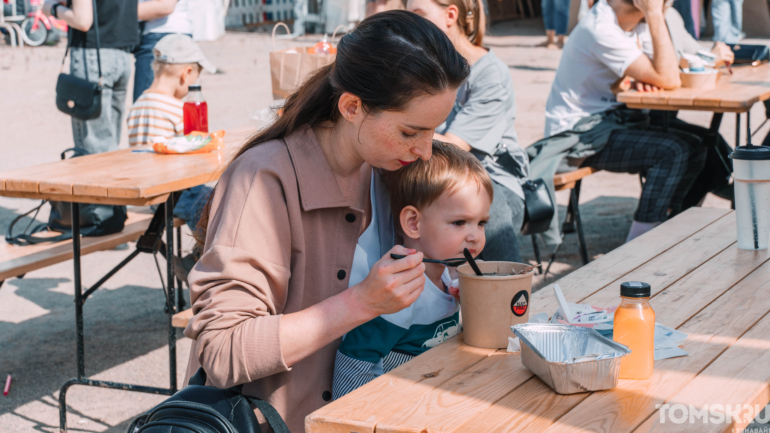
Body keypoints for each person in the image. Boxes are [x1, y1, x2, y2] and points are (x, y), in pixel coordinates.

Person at [183, 11, 469, 432]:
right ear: (352, 106)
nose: (426, 150)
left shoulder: (391, 167)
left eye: (433, 130)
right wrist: (361, 303)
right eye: (411, 132)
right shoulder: (263, 178)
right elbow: (223, 351)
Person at [331, 141, 492, 399]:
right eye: (460, 222)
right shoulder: (400, 290)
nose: (475, 236)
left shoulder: (451, 273)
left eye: (481, 222)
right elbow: (355, 361)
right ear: (413, 223)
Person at [538, 0, 707, 243]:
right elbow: (669, 77)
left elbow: (667, 70)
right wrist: (655, 15)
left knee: (699, 145)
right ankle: (640, 245)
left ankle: (670, 225)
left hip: (611, 123)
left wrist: (642, 76)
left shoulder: (636, 24)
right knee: (672, 151)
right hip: (576, 136)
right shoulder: (600, 27)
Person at [407, 0, 529, 263]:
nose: (411, 24)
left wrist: (399, 129)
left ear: (451, 15)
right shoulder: (424, 66)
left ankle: (504, 289)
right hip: (440, 172)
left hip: (494, 177)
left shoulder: (489, 73)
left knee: (475, 199)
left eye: (418, 15)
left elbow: (453, 145)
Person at [126, 34, 216, 238]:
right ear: (186, 74)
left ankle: (197, 258)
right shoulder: (177, 109)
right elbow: (196, 154)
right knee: (223, 202)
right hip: (176, 194)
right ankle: (202, 260)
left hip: (150, 194)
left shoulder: (138, 104)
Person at [43, 0, 138, 155]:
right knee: (110, 145)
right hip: (122, 51)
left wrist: (52, 8)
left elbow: (83, 20)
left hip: (94, 53)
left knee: (94, 150)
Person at [133, 0, 194, 102]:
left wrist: (114, 11)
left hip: (161, 35)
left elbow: (165, 5)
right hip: (163, 34)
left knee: (146, 107)